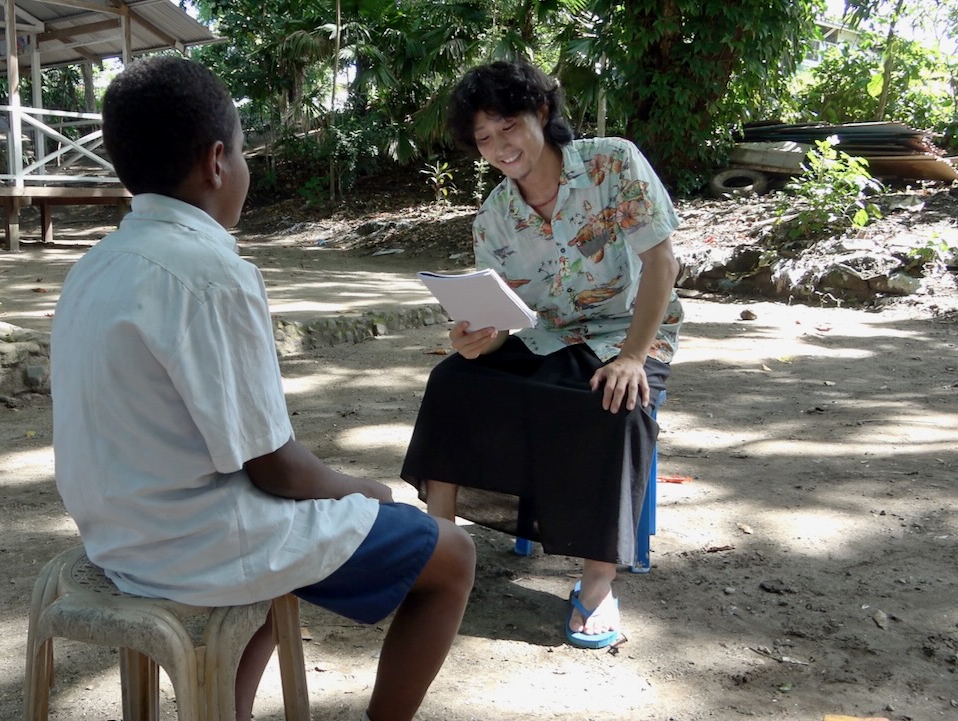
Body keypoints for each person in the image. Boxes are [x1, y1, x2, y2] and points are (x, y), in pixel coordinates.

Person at [50, 55, 476, 721]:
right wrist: (363, 489)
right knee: (452, 555)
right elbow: (275, 467)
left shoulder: (93, 267)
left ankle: (228, 710)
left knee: (291, 536)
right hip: (192, 543)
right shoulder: (212, 272)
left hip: (118, 534)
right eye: (245, 151)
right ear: (217, 162)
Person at [401, 59, 682, 650]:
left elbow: (661, 263)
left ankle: (597, 583)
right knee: (451, 381)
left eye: (509, 126)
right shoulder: (494, 217)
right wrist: (476, 338)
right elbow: (508, 317)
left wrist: (633, 356)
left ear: (542, 112)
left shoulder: (613, 164)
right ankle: (439, 551)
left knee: (618, 401)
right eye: (484, 138)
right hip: (543, 336)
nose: (500, 147)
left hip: (626, 333)